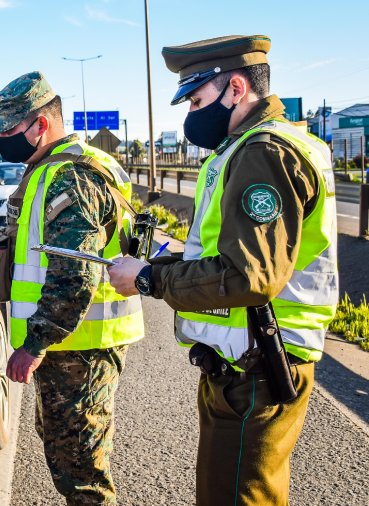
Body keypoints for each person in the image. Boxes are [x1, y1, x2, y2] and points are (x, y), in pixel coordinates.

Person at [107, 35, 337, 506]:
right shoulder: (249, 147)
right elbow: (219, 255)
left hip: (257, 369)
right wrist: (154, 265)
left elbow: (248, 276)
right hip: (248, 364)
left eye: (196, 99)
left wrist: (150, 279)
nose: (191, 114)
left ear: (236, 88)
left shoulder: (264, 152)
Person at [0, 71, 145, 505]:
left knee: (81, 470)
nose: (2, 141)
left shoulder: (72, 176)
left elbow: (75, 275)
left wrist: (34, 344)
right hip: (71, 343)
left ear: (40, 124)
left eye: (9, 129)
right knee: (65, 449)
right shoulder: (51, 169)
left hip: (81, 344)